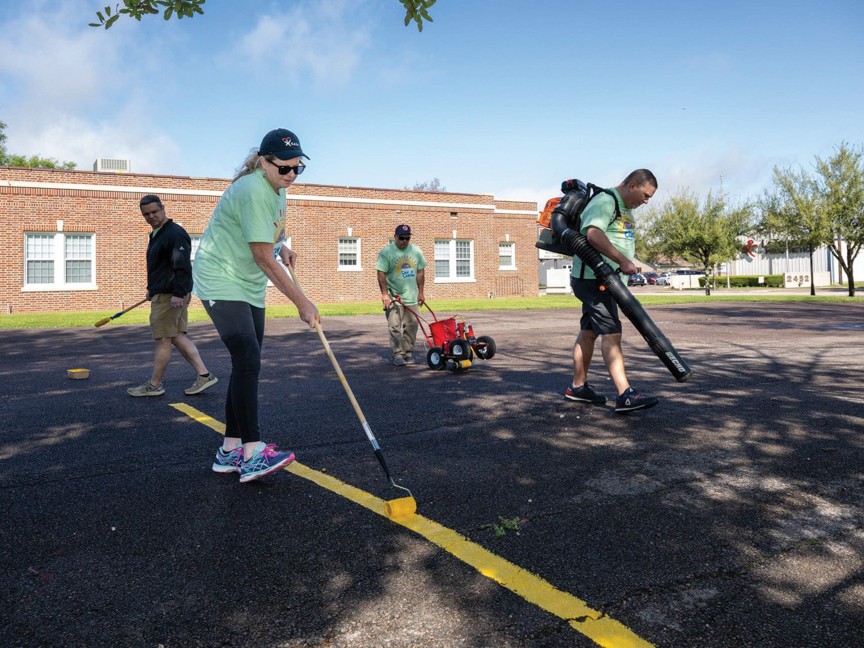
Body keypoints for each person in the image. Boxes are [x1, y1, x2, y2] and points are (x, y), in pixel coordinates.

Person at [192, 128, 319, 484]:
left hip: (247, 284)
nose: (291, 175)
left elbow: (271, 237)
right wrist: (302, 303)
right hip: (221, 278)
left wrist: (285, 247)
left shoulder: (278, 191)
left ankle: (229, 449)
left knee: (246, 364)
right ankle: (253, 452)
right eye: (284, 168)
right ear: (264, 162)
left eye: (298, 168)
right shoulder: (251, 190)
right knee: (248, 360)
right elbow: (262, 257)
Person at [564, 169, 660, 413]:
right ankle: (624, 394)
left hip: (603, 279)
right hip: (595, 280)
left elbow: (616, 238)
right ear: (632, 185)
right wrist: (623, 261)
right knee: (612, 333)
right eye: (645, 195)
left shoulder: (624, 208)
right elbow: (593, 234)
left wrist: (626, 259)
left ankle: (577, 387)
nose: (646, 201)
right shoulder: (606, 201)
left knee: (588, 332)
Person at [128, 195, 218, 398]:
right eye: (146, 214)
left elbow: (183, 266)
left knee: (163, 340)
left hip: (171, 296)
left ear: (163, 208)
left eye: (154, 212)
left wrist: (177, 293)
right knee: (176, 336)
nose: (151, 216)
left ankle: (154, 385)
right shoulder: (157, 234)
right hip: (164, 292)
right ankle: (204, 375)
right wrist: (153, 288)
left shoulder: (174, 233)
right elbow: (162, 266)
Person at [376, 224, 426, 366]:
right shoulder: (387, 252)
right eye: (401, 238)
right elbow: (381, 273)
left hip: (411, 296)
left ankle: (408, 352)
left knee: (412, 325)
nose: (404, 241)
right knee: (394, 325)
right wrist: (385, 294)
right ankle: (398, 353)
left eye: (407, 238)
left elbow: (421, 271)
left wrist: (421, 292)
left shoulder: (416, 251)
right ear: (395, 237)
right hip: (394, 296)